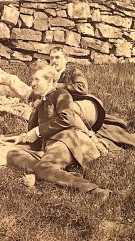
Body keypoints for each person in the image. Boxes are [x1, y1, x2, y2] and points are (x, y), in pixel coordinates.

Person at [7, 66, 112, 200]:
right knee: (12, 153)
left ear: (49, 81)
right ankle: (51, 172)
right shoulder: (41, 103)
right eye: (32, 80)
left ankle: (94, 190)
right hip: (48, 147)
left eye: (36, 80)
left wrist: (38, 130)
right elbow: (37, 134)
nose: (32, 83)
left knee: (43, 167)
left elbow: (67, 119)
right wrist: (25, 137)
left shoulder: (61, 94)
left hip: (66, 141)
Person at [49, 46, 135, 149]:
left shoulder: (73, 72)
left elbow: (82, 88)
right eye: (51, 58)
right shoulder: (49, 75)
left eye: (57, 57)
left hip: (80, 104)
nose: (54, 61)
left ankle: (92, 138)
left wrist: (57, 86)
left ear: (65, 59)